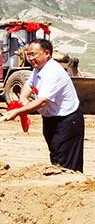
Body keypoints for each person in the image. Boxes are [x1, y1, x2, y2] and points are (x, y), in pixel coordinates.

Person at [5, 39, 84, 172]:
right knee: (56, 155)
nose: (30, 58)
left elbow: (43, 101)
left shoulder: (53, 72)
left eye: (34, 54)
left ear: (47, 53)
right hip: (50, 119)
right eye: (28, 55)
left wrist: (18, 111)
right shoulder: (38, 68)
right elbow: (29, 84)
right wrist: (23, 98)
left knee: (66, 162)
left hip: (67, 121)